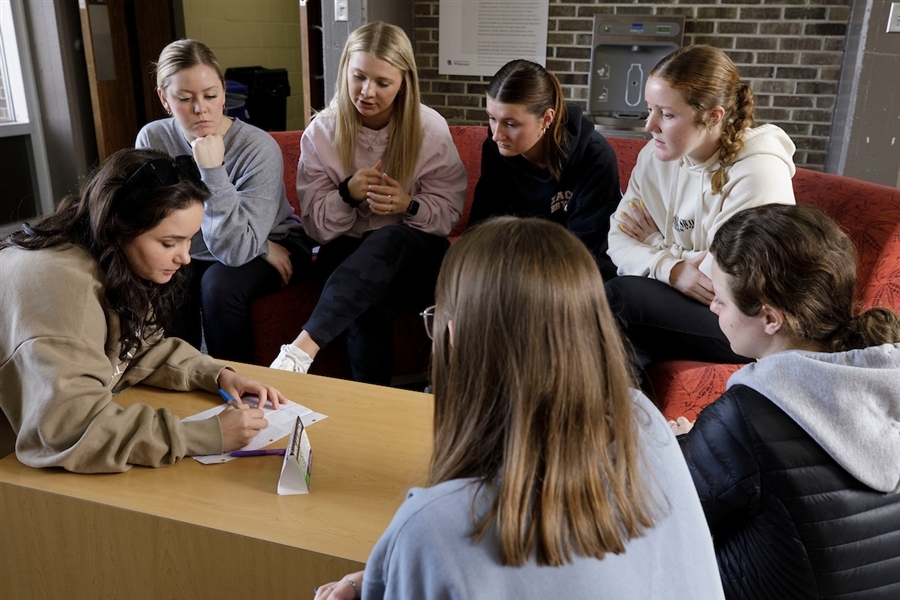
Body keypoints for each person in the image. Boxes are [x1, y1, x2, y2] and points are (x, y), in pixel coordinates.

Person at [313, 217, 725, 600]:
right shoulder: (643, 420)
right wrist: (384, 573)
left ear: (455, 335)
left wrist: (406, 560)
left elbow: (447, 544)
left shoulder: (438, 526)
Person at [0, 148, 288, 473]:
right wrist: (202, 434)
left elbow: (136, 347)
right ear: (118, 225)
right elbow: (69, 430)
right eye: (169, 243)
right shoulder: (65, 290)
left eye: (189, 240)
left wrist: (215, 375)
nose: (185, 258)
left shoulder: (103, 253)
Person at [675, 204, 900, 598]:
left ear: (770, 318)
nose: (712, 307)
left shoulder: (745, 417)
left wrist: (678, 448)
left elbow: (662, 519)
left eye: (722, 300)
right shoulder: (885, 376)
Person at [269, 22, 467, 384]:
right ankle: (372, 408)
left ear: (403, 82)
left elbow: (448, 215)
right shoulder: (322, 132)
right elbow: (316, 228)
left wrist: (409, 205)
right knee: (368, 299)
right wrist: (346, 194)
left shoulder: (430, 128)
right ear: (345, 68)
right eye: (358, 76)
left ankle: (303, 347)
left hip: (415, 256)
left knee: (388, 240)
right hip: (346, 255)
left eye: (382, 83)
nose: (367, 92)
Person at [604, 45, 796, 378]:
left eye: (666, 114)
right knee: (621, 334)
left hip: (750, 322)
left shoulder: (759, 171)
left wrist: (653, 243)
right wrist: (675, 268)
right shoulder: (654, 157)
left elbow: (720, 280)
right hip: (687, 303)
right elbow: (618, 239)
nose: (649, 125)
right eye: (650, 109)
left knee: (622, 298)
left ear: (713, 116)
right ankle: (631, 427)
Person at [136, 39, 308, 363]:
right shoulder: (152, 139)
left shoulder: (257, 148)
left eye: (211, 96)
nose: (201, 108)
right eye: (185, 99)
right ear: (164, 99)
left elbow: (235, 250)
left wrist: (212, 170)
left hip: (275, 241)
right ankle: (182, 381)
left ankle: (237, 389)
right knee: (170, 278)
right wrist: (259, 247)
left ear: (224, 93)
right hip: (211, 247)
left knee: (218, 286)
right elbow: (156, 227)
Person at [468, 59, 622, 280]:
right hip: (513, 261)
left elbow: (586, 249)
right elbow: (481, 228)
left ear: (546, 119)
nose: (496, 135)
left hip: (577, 268)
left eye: (511, 124)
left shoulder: (595, 156)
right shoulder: (495, 149)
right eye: (492, 119)